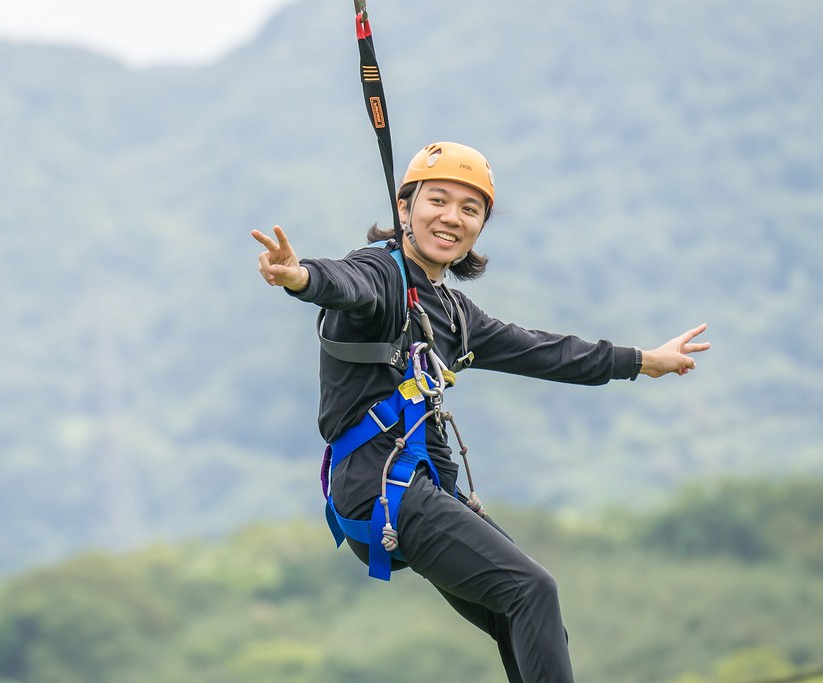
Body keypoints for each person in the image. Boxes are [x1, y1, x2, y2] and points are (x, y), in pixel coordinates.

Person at [251, 141, 710, 683]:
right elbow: (343, 285)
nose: (451, 218)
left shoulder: (454, 312)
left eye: (470, 210)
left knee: (524, 614)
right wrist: (299, 277)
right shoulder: (380, 274)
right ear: (405, 209)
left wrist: (641, 361)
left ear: (481, 227)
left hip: (418, 484)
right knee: (532, 589)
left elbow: (543, 350)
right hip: (379, 485)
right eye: (437, 201)